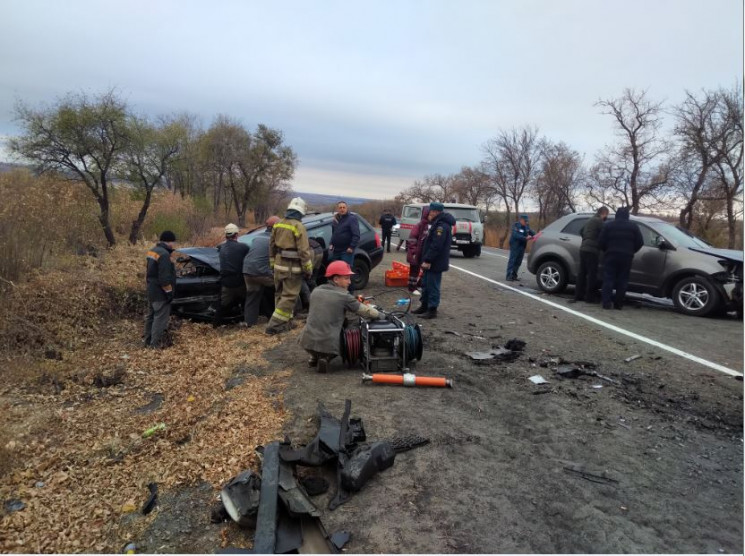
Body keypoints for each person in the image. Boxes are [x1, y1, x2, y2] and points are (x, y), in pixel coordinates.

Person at [300, 261, 381, 373]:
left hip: (306, 342)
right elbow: (366, 311)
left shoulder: (316, 291)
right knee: (351, 333)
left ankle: (314, 356)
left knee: (325, 322)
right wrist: (380, 314)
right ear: (336, 279)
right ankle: (326, 357)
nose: (349, 282)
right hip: (328, 344)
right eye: (346, 278)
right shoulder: (344, 296)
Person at [266, 197, 313, 334]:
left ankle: (286, 323)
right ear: (301, 212)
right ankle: (273, 325)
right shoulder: (298, 226)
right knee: (289, 297)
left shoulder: (278, 224)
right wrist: (308, 269)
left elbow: (271, 246)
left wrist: (272, 263)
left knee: (280, 295)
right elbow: (304, 251)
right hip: (292, 268)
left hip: (278, 266)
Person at [412, 202, 456, 319]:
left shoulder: (441, 226)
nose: (428, 214)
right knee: (425, 284)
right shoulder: (437, 223)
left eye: (430, 212)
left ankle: (432, 310)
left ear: (436, 212)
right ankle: (424, 306)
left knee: (432, 286)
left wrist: (427, 259)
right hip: (431, 262)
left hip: (435, 263)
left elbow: (436, 245)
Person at [598, 206, 643, 310]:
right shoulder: (634, 227)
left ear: (616, 215)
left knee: (608, 279)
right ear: (627, 215)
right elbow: (640, 242)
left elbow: (600, 241)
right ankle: (618, 304)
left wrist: (607, 250)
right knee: (623, 280)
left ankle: (606, 303)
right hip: (626, 257)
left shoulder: (608, 225)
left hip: (611, 255)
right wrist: (631, 251)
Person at [242, 216, 280, 327]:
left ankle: (249, 324)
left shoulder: (257, 238)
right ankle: (292, 314)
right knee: (284, 288)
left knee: (252, 297)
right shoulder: (274, 240)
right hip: (261, 272)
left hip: (247, 271)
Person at [144, 230, 177, 348]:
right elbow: (164, 279)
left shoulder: (152, 251)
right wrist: (168, 293)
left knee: (151, 316)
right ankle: (155, 345)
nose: (174, 245)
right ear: (169, 242)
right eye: (173, 242)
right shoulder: (164, 255)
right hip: (160, 293)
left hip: (151, 290)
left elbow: (151, 271)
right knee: (160, 319)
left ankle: (147, 342)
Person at [214, 223, 249, 328]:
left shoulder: (221, 247)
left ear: (226, 235)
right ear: (237, 235)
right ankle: (247, 320)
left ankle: (215, 325)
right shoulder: (243, 247)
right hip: (239, 281)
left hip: (226, 282)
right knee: (248, 299)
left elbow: (220, 247)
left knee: (222, 304)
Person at [572, 206, 609, 303]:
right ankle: (589, 297)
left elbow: (581, 231)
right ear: (604, 213)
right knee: (592, 274)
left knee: (582, 273)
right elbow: (605, 233)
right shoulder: (599, 221)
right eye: (606, 215)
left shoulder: (590, 220)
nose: (606, 217)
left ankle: (578, 295)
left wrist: (586, 239)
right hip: (592, 250)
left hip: (583, 248)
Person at [406, 205, 430, 296]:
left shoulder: (429, 226)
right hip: (416, 253)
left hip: (424, 253)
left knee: (424, 270)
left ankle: (419, 284)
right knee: (414, 271)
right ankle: (412, 288)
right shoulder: (419, 226)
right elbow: (412, 239)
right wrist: (414, 251)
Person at [506, 214, 536, 281]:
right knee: (512, 261)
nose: (526, 222)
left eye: (527, 221)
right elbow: (515, 235)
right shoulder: (516, 225)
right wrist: (525, 238)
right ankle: (508, 275)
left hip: (522, 246)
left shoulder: (526, 226)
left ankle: (514, 275)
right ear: (521, 220)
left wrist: (536, 235)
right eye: (525, 221)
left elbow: (531, 232)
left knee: (518, 261)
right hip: (515, 245)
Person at [329, 201, 359, 267]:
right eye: (340, 208)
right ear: (338, 209)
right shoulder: (335, 219)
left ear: (346, 208)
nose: (342, 209)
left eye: (343, 207)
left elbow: (356, 235)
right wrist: (331, 243)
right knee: (336, 271)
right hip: (336, 251)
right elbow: (334, 234)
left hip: (346, 251)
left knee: (345, 272)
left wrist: (351, 247)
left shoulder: (351, 219)